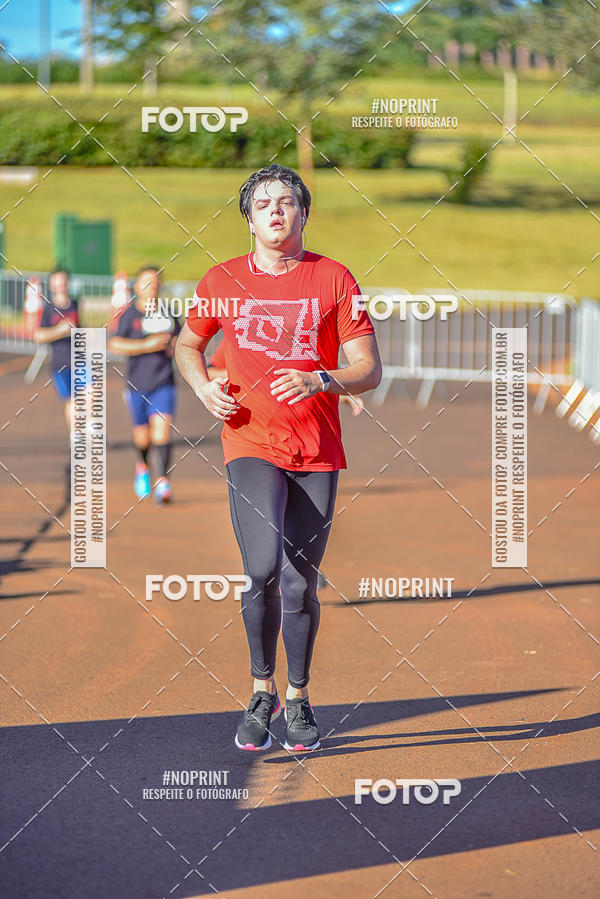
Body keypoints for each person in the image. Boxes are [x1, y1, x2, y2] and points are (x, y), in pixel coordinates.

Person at [176, 163, 381, 752]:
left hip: (317, 449)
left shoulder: (334, 278)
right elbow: (190, 344)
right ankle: (259, 688)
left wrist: (322, 380)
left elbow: (369, 369)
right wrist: (202, 386)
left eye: (286, 201)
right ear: (248, 217)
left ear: (303, 214)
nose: (274, 210)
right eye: (262, 202)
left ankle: (297, 695)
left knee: (299, 583)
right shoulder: (221, 280)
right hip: (250, 441)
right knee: (262, 567)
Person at [108, 266, 180, 504]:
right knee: (143, 437)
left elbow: (180, 345)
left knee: (163, 429)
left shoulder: (168, 313)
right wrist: (146, 345)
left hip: (163, 382)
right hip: (137, 384)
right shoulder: (129, 315)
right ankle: (142, 466)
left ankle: (163, 480)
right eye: (147, 282)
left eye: (156, 282)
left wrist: (173, 347)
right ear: (137, 287)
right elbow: (115, 345)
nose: (152, 287)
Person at [34, 267, 79, 436]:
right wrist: (60, 330)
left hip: (80, 360)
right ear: (52, 285)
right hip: (61, 364)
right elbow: (38, 335)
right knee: (72, 401)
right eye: (57, 282)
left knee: (91, 392)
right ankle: (76, 436)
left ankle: (86, 427)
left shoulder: (75, 305)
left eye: (64, 282)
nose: (61, 286)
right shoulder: (48, 309)